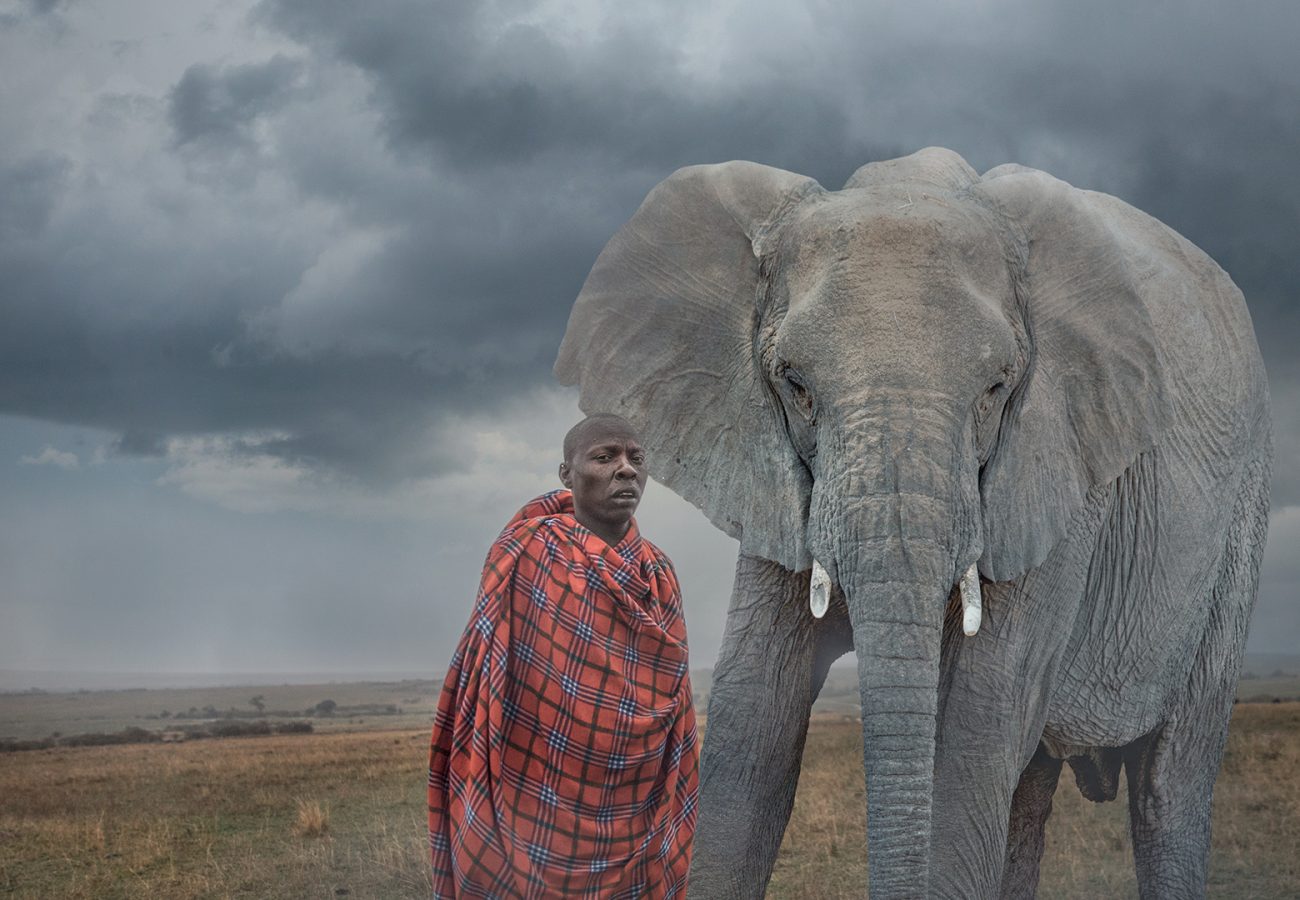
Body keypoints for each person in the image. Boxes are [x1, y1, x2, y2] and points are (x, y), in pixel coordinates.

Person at [428, 413, 698, 898]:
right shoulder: (527, 550)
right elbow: (489, 670)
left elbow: (673, 695)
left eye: (636, 459)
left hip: (636, 795)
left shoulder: (659, 572)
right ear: (566, 473)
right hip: (533, 780)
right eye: (604, 457)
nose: (626, 470)